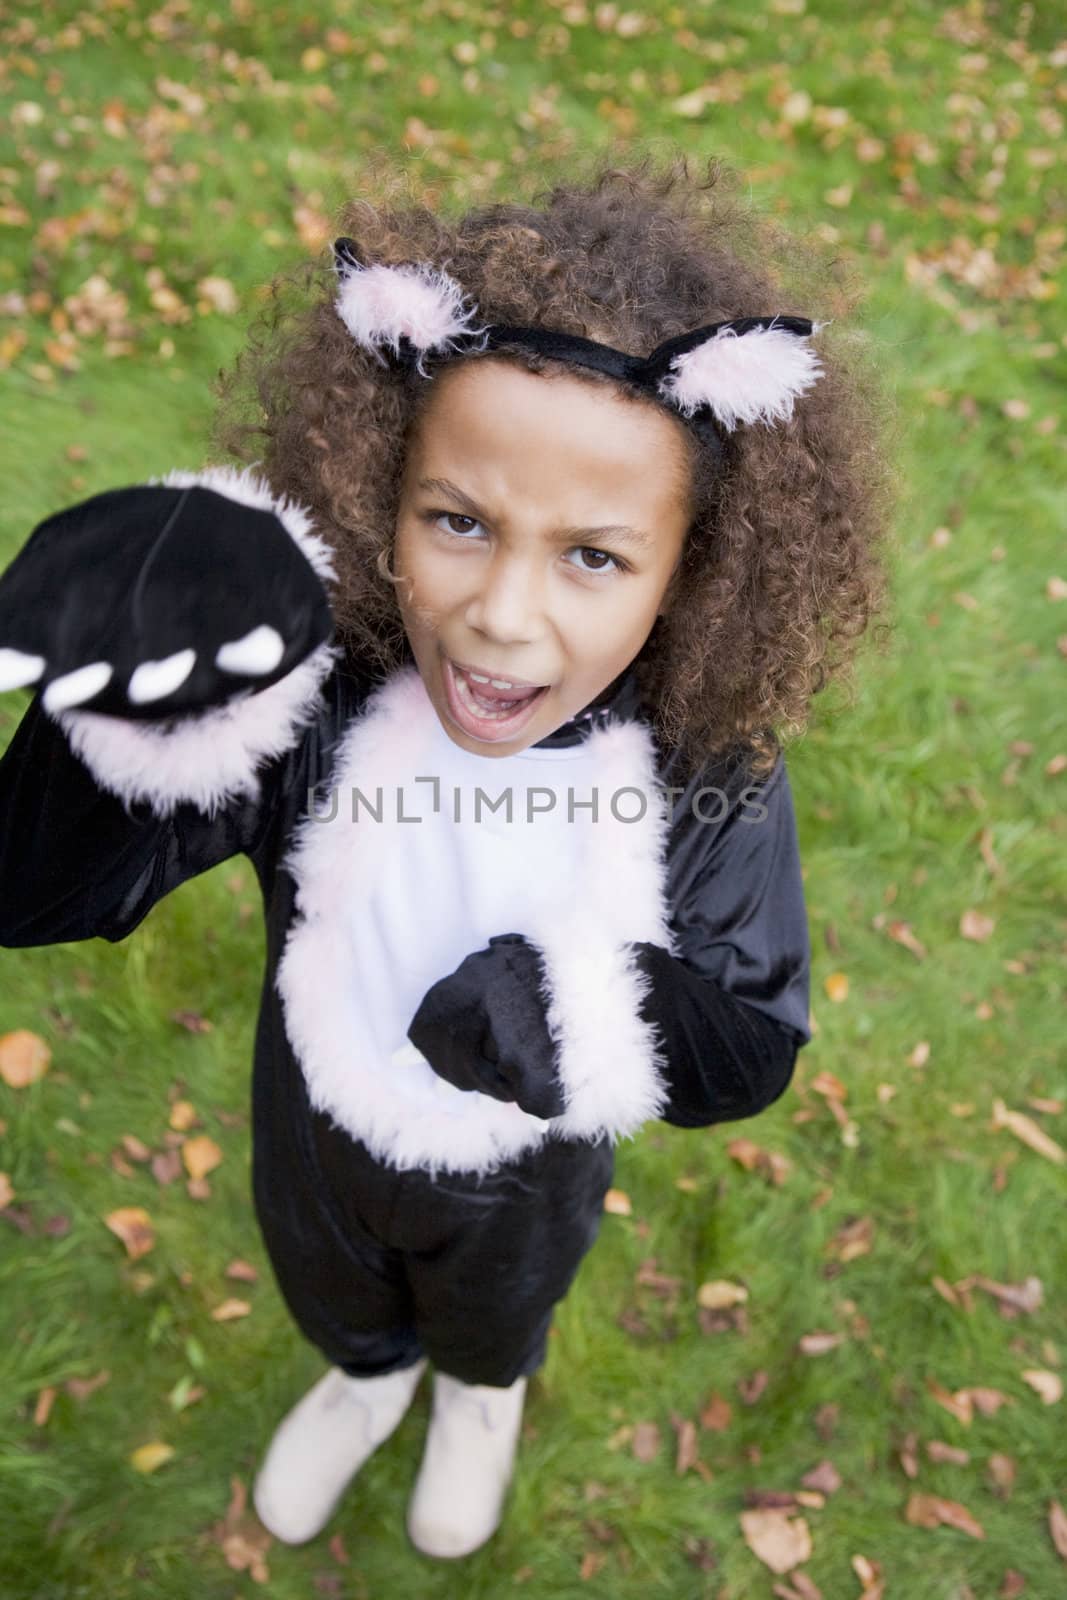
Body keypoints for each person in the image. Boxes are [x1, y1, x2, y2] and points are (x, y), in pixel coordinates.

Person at [0, 152, 891, 1559]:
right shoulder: (317, 697)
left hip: (526, 1176)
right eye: (459, 523)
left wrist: (589, 1004)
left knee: (497, 1307)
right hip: (316, 1116)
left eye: (593, 556)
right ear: (377, 493)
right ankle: (365, 1376)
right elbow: (37, 891)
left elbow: (753, 1042)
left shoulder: (702, 780)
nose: (501, 620)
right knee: (329, 1282)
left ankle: (479, 1398)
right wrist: (111, 706)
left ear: (693, 575)